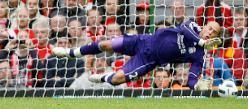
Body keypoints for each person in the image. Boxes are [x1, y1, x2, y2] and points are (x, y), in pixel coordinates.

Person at [52, 20, 222, 89]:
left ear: (215, 37)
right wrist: (202, 42)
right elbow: (184, 30)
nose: (210, 33)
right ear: (205, 25)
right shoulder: (192, 25)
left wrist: (197, 85)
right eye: (210, 28)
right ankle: (71, 52)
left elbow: (192, 77)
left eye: (214, 33)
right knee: (106, 44)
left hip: (148, 59)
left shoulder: (200, 55)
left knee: (117, 79)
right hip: (143, 40)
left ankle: (104, 77)